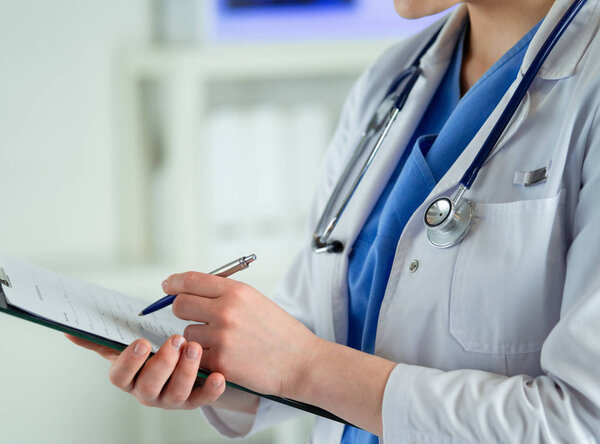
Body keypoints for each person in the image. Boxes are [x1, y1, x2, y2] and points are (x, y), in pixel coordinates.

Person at [67, 0, 600, 442]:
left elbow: (581, 422)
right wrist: (213, 369)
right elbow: (327, 331)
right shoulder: (393, 79)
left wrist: (302, 366)